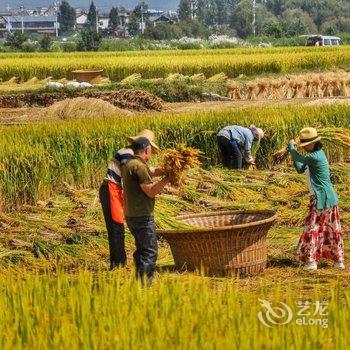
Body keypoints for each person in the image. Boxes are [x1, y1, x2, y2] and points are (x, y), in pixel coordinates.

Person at [288, 127, 345, 271]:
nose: (305, 147)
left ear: (313, 143)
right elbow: (300, 167)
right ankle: (339, 262)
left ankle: (311, 262)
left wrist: (291, 147)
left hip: (322, 198)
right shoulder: (314, 155)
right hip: (327, 197)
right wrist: (292, 152)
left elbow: (299, 158)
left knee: (312, 228)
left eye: (306, 145)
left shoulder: (315, 156)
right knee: (330, 228)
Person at [122, 130, 169, 284]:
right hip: (142, 216)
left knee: (141, 250)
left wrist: (168, 169)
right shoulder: (139, 167)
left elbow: (152, 171)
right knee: (150, 252)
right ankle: (145, 285)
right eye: (151, 151)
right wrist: (167, 179)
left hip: (131, 215)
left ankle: (139, 279)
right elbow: (151, 191)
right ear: (147, 150)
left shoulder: (130, 163)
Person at [99, 148, 134, 270]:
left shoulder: (131, 155)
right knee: (116, 227)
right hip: (111, 189)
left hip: (116, 190)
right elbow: (128, 174)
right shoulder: (128, 153)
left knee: (118, 226)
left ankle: (120, 263)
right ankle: (117, 265)